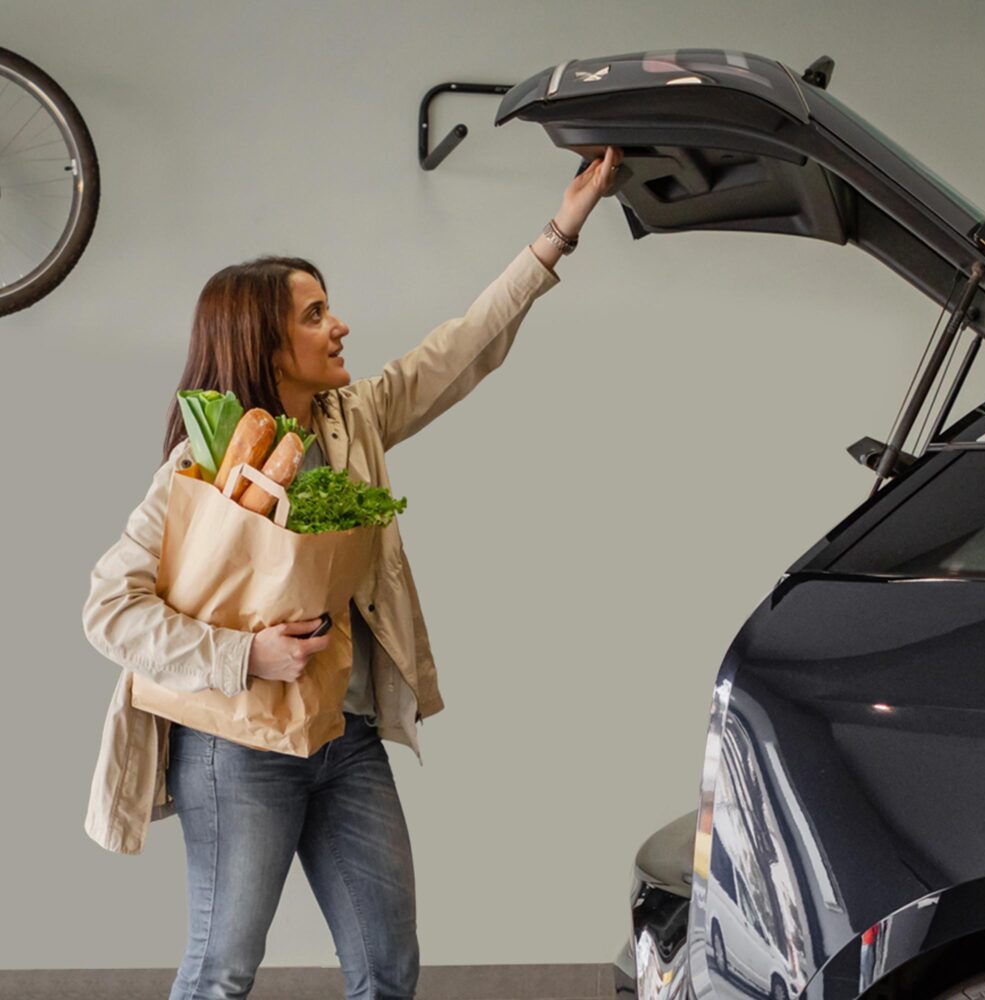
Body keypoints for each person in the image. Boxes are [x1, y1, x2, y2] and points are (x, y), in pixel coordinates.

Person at [81, 144, 625, 1000]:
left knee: (387, 968)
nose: (338, 326)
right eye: (315, 314)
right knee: (221, 973)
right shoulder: (203, 465)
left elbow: (464, 348)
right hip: (237, 748)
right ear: (265, 341)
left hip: (347, 733)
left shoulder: (353, 418)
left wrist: (561, 229)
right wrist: (244, 656)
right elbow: (109, 609)